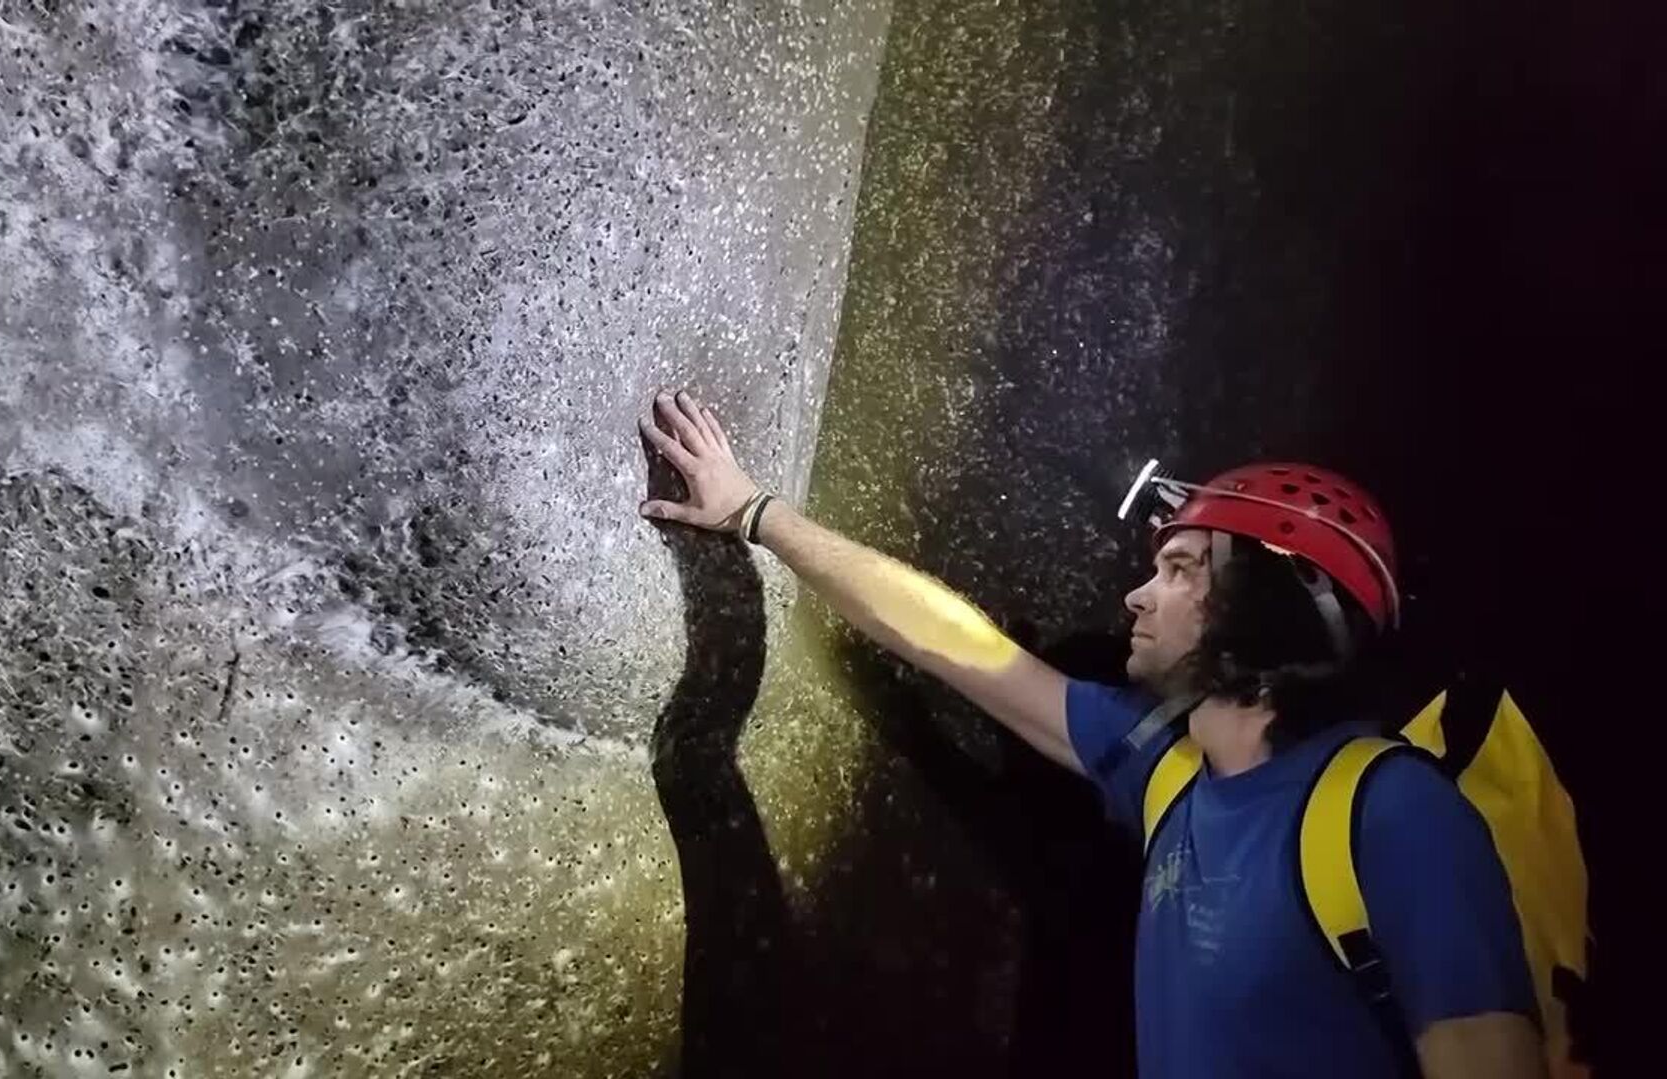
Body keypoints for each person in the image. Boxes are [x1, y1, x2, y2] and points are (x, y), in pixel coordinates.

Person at [636, 390, 1545, 1079]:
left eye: (1181, 569)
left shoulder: (1394, 814)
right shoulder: (1166, 774)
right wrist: (755, 513)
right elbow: (959, 645)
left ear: (1270, 605)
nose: (1138, 595)